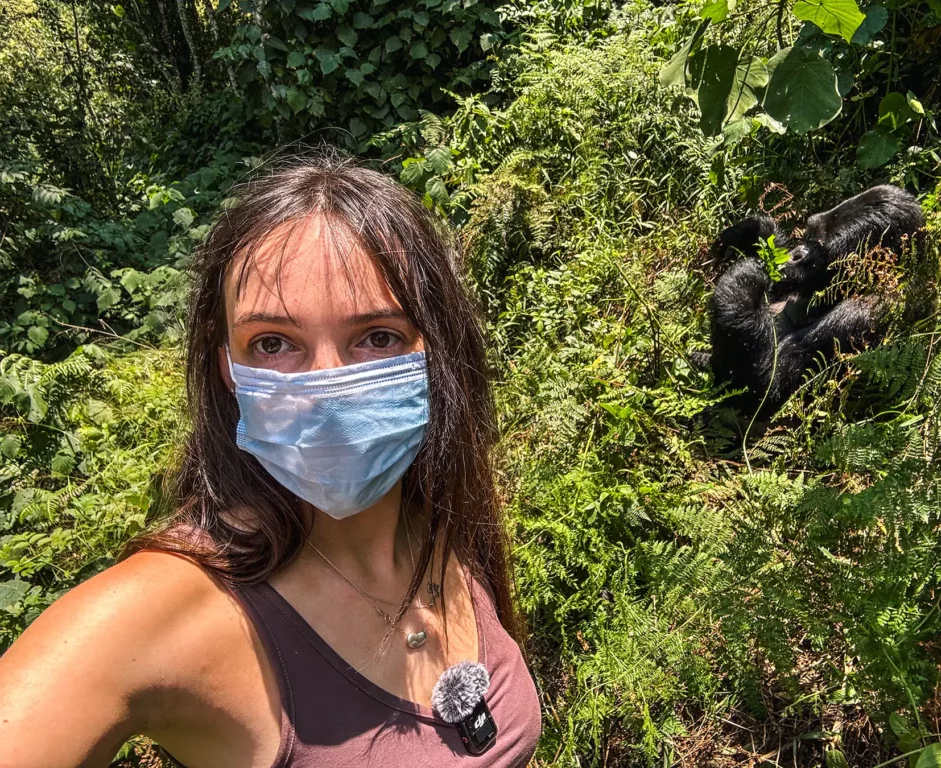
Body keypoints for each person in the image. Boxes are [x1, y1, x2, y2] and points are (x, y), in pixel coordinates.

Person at [0, 151, 542, 767]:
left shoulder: (439, 515)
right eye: (274, 343)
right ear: (227, 368)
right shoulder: (172, 607)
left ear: (433, 350)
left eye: (378, 336)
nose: (327, 385)